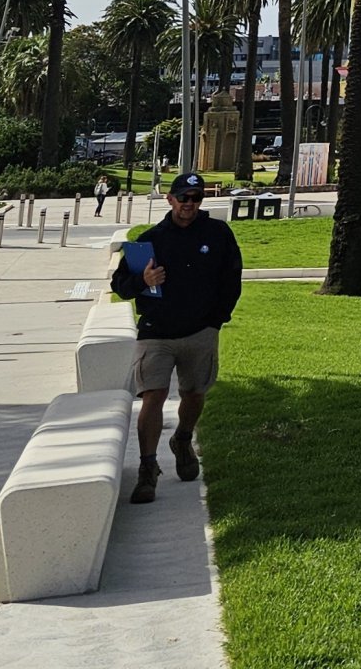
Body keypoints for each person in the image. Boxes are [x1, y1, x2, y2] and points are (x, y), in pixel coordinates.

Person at [108, 172, 242, 505]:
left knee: (194, 394)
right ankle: (148, 468)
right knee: (152, 396)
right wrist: (143, 280)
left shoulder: (218, 233)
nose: (189, 204)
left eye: (196, 198)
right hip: (156, 332)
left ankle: (182, 439)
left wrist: (216, 321)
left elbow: (231, 278)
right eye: (183, 198)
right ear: (170, 199)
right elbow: (120, 286)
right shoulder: (151, 240)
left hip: (200, 331)